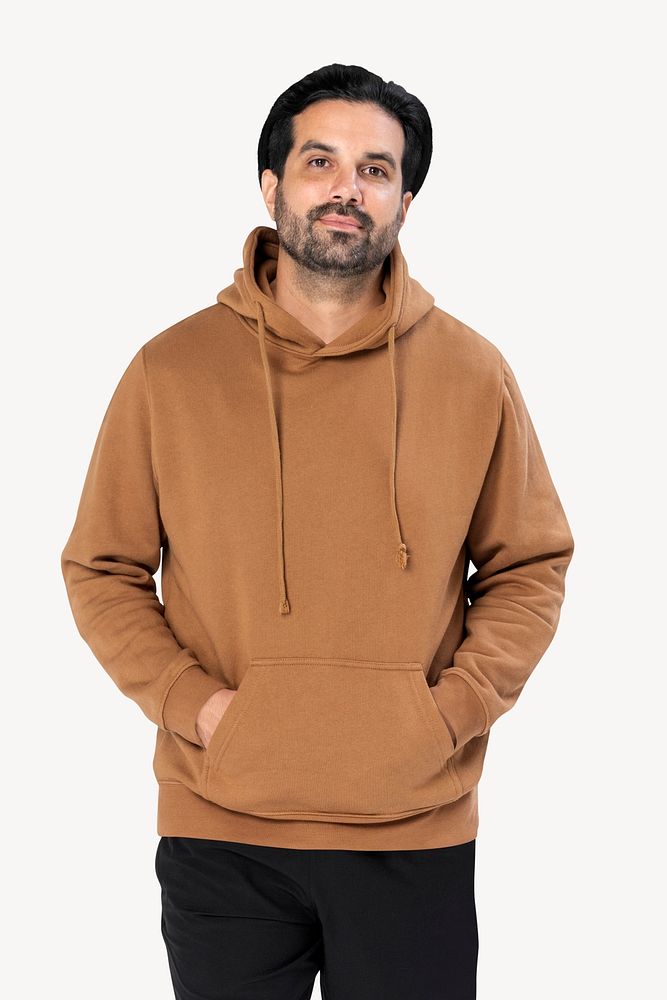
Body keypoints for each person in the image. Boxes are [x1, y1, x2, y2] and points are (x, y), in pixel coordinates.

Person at [61, 62, 575, 1000]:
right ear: (271, 186)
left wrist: (451, 712)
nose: (347, 188)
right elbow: (102, 568)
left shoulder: (471, 372)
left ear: (404, 202)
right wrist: (194, 706)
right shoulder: (171, 371)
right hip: (221, 826)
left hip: (412, 828)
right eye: (320, 161)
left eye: (376, 170)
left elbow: (529, 564)